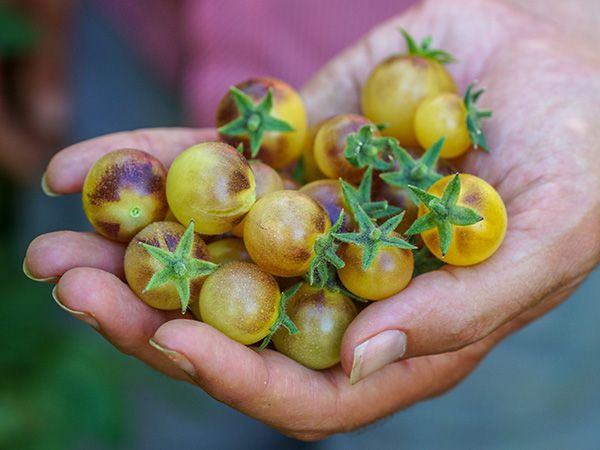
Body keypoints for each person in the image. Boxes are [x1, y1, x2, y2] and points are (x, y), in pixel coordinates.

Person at [23, 0, 600, 441]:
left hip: (503, 83)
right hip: (139, 41)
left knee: (474, 427)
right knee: (162, 406)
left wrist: (559, 24)